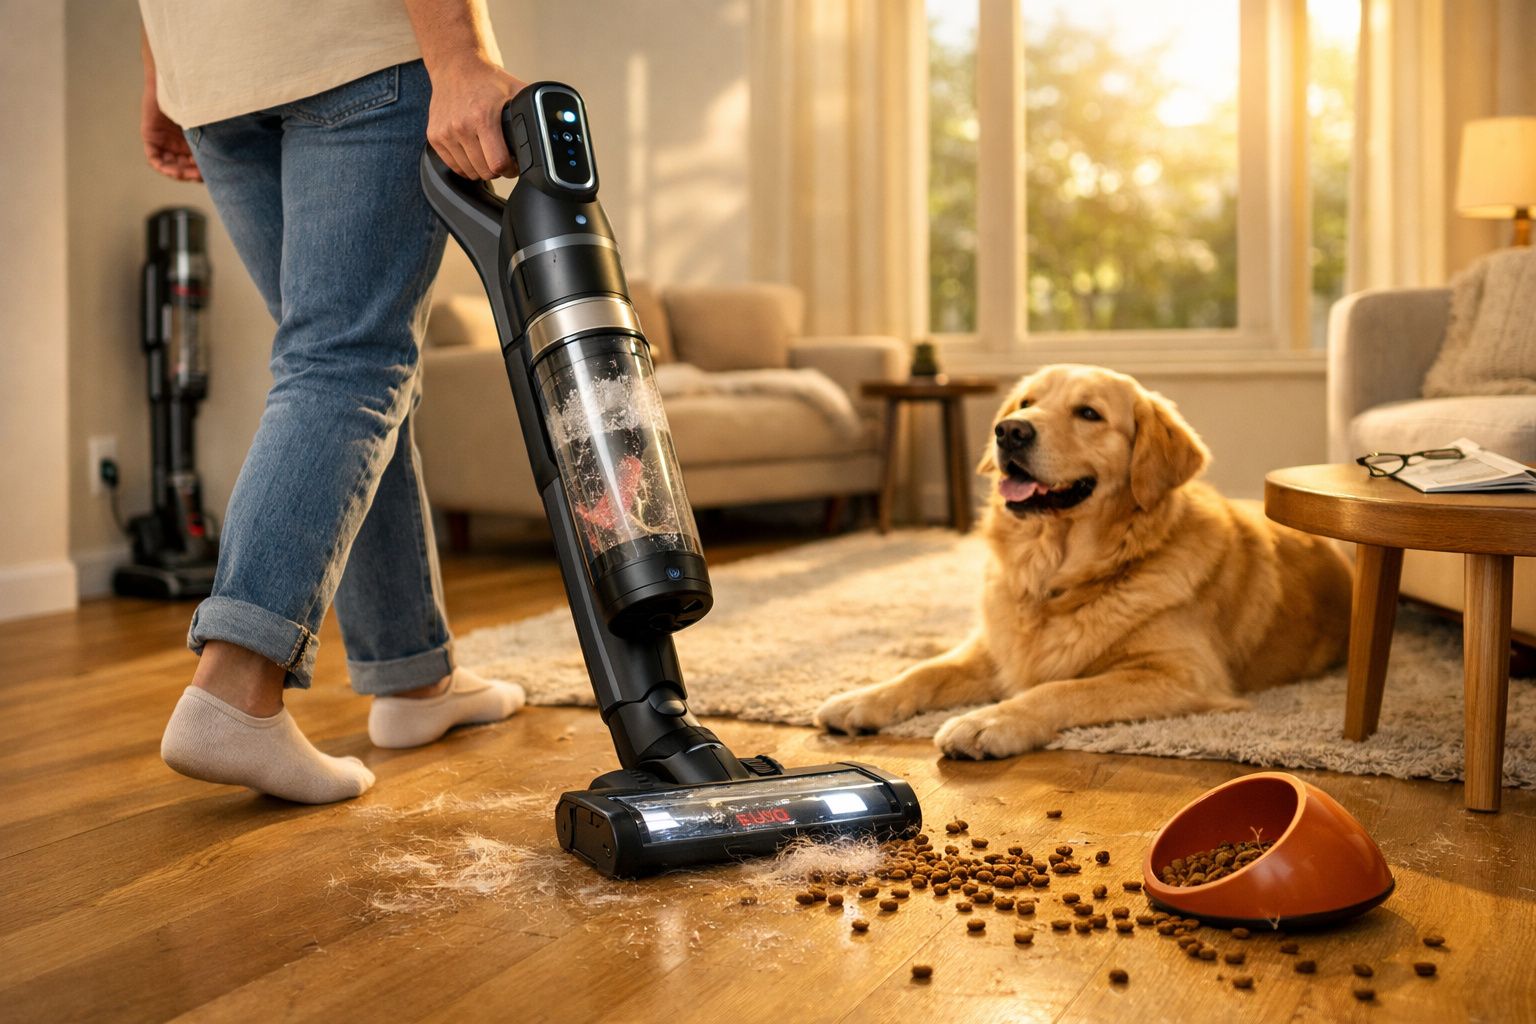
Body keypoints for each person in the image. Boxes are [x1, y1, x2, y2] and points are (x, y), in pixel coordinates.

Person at [140, 0, 529, 804]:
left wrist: (163, 72)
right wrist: (460, 54)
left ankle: (413, 677)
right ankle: (234, 687)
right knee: (347, 364)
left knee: (344, 370)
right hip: (349, 50)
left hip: (211, 76)